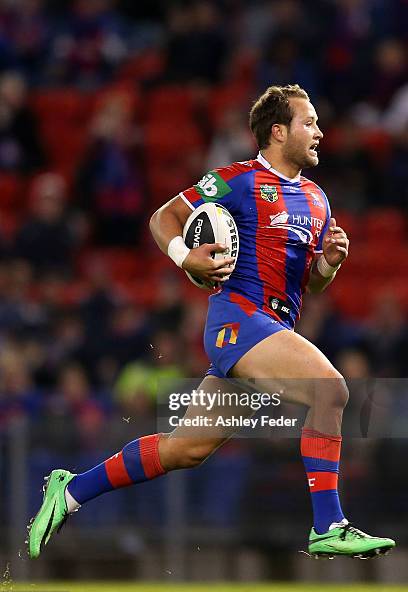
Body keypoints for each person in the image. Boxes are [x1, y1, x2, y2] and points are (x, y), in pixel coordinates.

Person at [27, 84, 395, 560]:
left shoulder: (318, 200)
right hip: (239, 322)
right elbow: (165, 217)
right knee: (332, 390)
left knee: (187, 449)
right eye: (310, 123)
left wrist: (327, 265)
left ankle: (71, 490)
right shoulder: (237, 180)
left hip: (273, 328)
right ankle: (330, 525)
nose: (319, 132)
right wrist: (185, 257)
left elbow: (308, 286)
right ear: (278, 132)